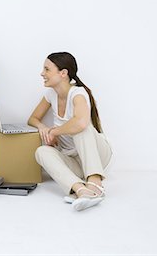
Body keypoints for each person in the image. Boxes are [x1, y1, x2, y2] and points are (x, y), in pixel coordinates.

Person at [28, 52, 112, 211]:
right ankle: (81, 190)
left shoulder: (78, 93)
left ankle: (96, 183)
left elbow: (80, 122)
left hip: (98, 156)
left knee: (82, 127)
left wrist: (54, 132)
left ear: (63, 73)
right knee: (41, 151)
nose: (42, 73)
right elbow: (33, 118)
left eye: (47, 69)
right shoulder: (51, 94)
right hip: (75, 161)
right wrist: (44, 128)